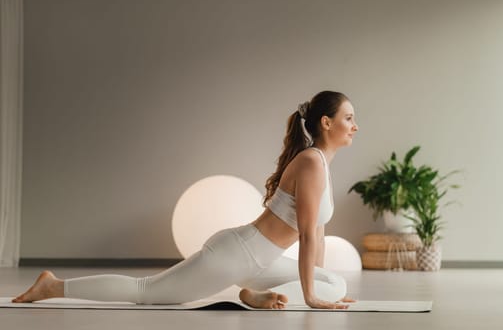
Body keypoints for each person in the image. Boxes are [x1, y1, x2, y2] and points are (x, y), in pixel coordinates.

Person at [12, 90, 359, 309]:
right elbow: (309, 234)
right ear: (326, 123)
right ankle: (54, 286)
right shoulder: (312, 162)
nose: (355, 126)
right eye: (349, 118)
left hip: (260, 264)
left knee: (334, 284)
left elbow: (319, 231)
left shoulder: (322, 164)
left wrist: (319, 287)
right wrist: (311, 297)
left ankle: (252, 295)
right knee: (145, 291)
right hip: (237, 255)